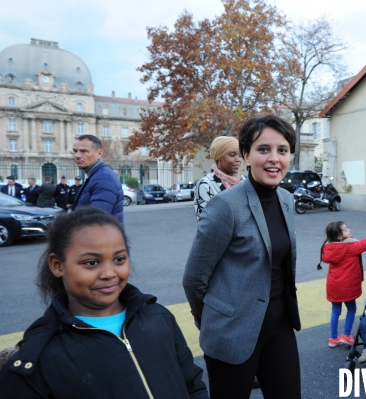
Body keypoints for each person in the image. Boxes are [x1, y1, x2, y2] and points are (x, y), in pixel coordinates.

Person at [0, 207, 209, 398]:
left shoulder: (158, 318)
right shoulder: (36, 360)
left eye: (119, 259)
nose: (109, 274)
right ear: (57, 265)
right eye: (91, 263)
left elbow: (192, 384)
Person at [183, 115, 301, 399]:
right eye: (263, 150)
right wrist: (216, 319)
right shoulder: (225, 205)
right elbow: (194, 279)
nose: (274, 159)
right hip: (232, 332)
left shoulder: (286, 200)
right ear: (247, 155)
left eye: (282, 150)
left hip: (279, 327)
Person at [318, 221, 366, 348]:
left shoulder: (329, 247)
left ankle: (333, 338)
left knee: (335, 311)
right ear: (340, 236)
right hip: (347, 286)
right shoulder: (350, 247)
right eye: (345, 230)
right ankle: (346, 335)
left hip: (334, 285)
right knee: (351, 308)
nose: (349, 230)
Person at [71, 135, 124, 224]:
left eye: (84, 151)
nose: (77, 155)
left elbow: (96, 221)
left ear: (99, 153)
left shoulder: (104, 178)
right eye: (75, 151)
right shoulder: (96, 175)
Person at [193, 136, 244, 221]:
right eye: (232, 155)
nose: (238, 159)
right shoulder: (205, 184)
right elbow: (204, 222)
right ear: (219, 157)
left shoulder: (244, 181)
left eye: (239, 155)